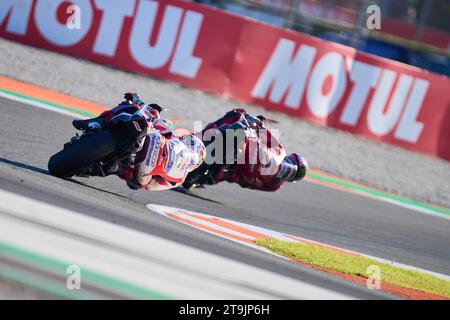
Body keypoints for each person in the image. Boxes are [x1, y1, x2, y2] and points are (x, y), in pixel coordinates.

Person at [73, 93, 206, 191]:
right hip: (141, 136)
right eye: (190, 141)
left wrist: (142, 177)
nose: (187, 141)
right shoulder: (173, 136)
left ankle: (107, 167)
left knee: (129, 177)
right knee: (129, 107)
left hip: (137, 170)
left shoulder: (178, 177)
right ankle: (96, 123)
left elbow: (150, 186)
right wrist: (149, 110)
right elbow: (163, 122)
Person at [186, 108, 308, 191]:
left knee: (206, 176)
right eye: (290, 167)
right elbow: (264, 132)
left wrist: (224, 175)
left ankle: (197, 175)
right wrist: (257, 124)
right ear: (289, 158)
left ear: (288, 180)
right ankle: (200, 136)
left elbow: (246, 183)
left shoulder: (273, 185)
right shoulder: (279, 150)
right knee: (237, 114)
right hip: (246, 143)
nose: (286, 171)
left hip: (236, 167)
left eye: (290, 174)